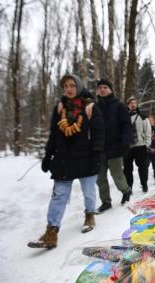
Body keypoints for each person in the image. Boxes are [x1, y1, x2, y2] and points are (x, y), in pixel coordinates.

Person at [28, 74, 104, 249]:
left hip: (86, 158)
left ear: (78, 86)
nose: (69, 89)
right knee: (59, 195)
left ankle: (89, 215)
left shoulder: (91, 107)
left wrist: (97, 156)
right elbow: (54, 134)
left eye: (72, 85)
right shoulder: (60, 108)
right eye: (65, 86)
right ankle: (51, 232)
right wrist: (48, 155)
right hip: (64, 159)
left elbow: (99, 135)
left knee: (89, 192)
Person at [95, 79, 133, 214]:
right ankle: (106, 201)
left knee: (116, 173)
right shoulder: (95, 107)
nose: (103, 89)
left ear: (110, 89)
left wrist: (125, 142)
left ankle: (126, 190)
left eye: (105, 87)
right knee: (100, 177)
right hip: (99, 149)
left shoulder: (119, 106)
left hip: (115, 147)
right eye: (100, 87)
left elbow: (126, 126)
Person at [123, 96, 151, 193]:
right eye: (131, 103)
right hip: (128, 147)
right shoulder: (123, 117)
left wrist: (147, 145)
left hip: (141, 146)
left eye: (135, 103)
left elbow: (148, 132)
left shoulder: (143, 117)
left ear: (137, 104)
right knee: (127, 169)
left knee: (143, 168)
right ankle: (129, 187)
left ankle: (144, 184)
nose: (133, 105)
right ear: (128, 105)